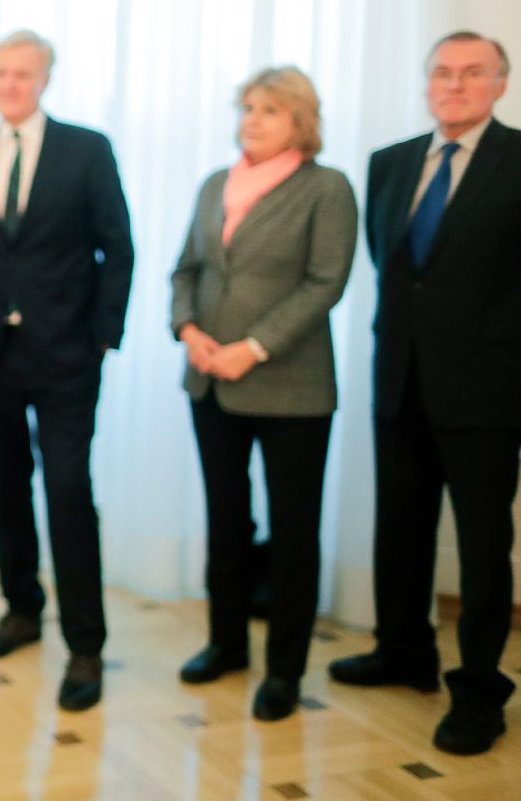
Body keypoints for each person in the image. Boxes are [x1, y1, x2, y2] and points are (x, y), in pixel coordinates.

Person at [328, 31, 521, 756]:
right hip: (399, 381)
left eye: (472, 73)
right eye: (442, 73)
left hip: (489, 392)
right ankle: (402, 651)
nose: (454, 85)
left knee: (484, 546)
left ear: (500, 85)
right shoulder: (389, 164)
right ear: (426, 84)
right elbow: (395, 269)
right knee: (401, 527)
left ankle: (480, 691)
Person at [0, 29, 133, 712]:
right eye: (0, 73)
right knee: (6, 486)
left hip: (66, 353)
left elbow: (118, 246)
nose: (9, 84)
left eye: (22, 74)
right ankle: (21, 609)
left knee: (69, 493)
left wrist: (102, 339)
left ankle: (86, 645)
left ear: (45, 79)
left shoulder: (86, 149)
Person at [169, 67, 357, 721]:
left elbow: (325, 282)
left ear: (300, 120)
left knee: (292, 532)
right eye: (248, 108)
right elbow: (187, 269)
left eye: (269, 110)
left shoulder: (325, 188)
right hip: (208, 380)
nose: (252, 119)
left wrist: (255, 346)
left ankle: (284, 669)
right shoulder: (216, 184)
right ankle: (226, 644)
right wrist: (188, 329)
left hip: (290, 387)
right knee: (226, 520)